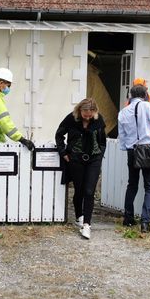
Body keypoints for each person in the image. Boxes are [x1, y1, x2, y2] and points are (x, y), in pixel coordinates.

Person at [55, 98, 106, 239]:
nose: (88, 117)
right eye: (85, 115)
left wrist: (100, 155)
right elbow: (59, 135)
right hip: (75, 159)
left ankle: (87, 225)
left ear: (95, 112)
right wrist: (63, 153)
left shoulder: (99, 120)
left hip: (94, 159)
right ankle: (79, 216)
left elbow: (102, 141)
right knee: (79, 190)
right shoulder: (71, 119)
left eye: (90, 115)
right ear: (80, 111)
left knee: (89, 191)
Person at [118, 84, 150, 233]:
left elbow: (122, 136)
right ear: (145, 94)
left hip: (132, 150)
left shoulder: (123, 112)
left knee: (131, 185)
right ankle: (145, 222)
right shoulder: (148, 106)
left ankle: (128, 218)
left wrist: (127, 148)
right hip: (148, 149)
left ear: (130, 95)